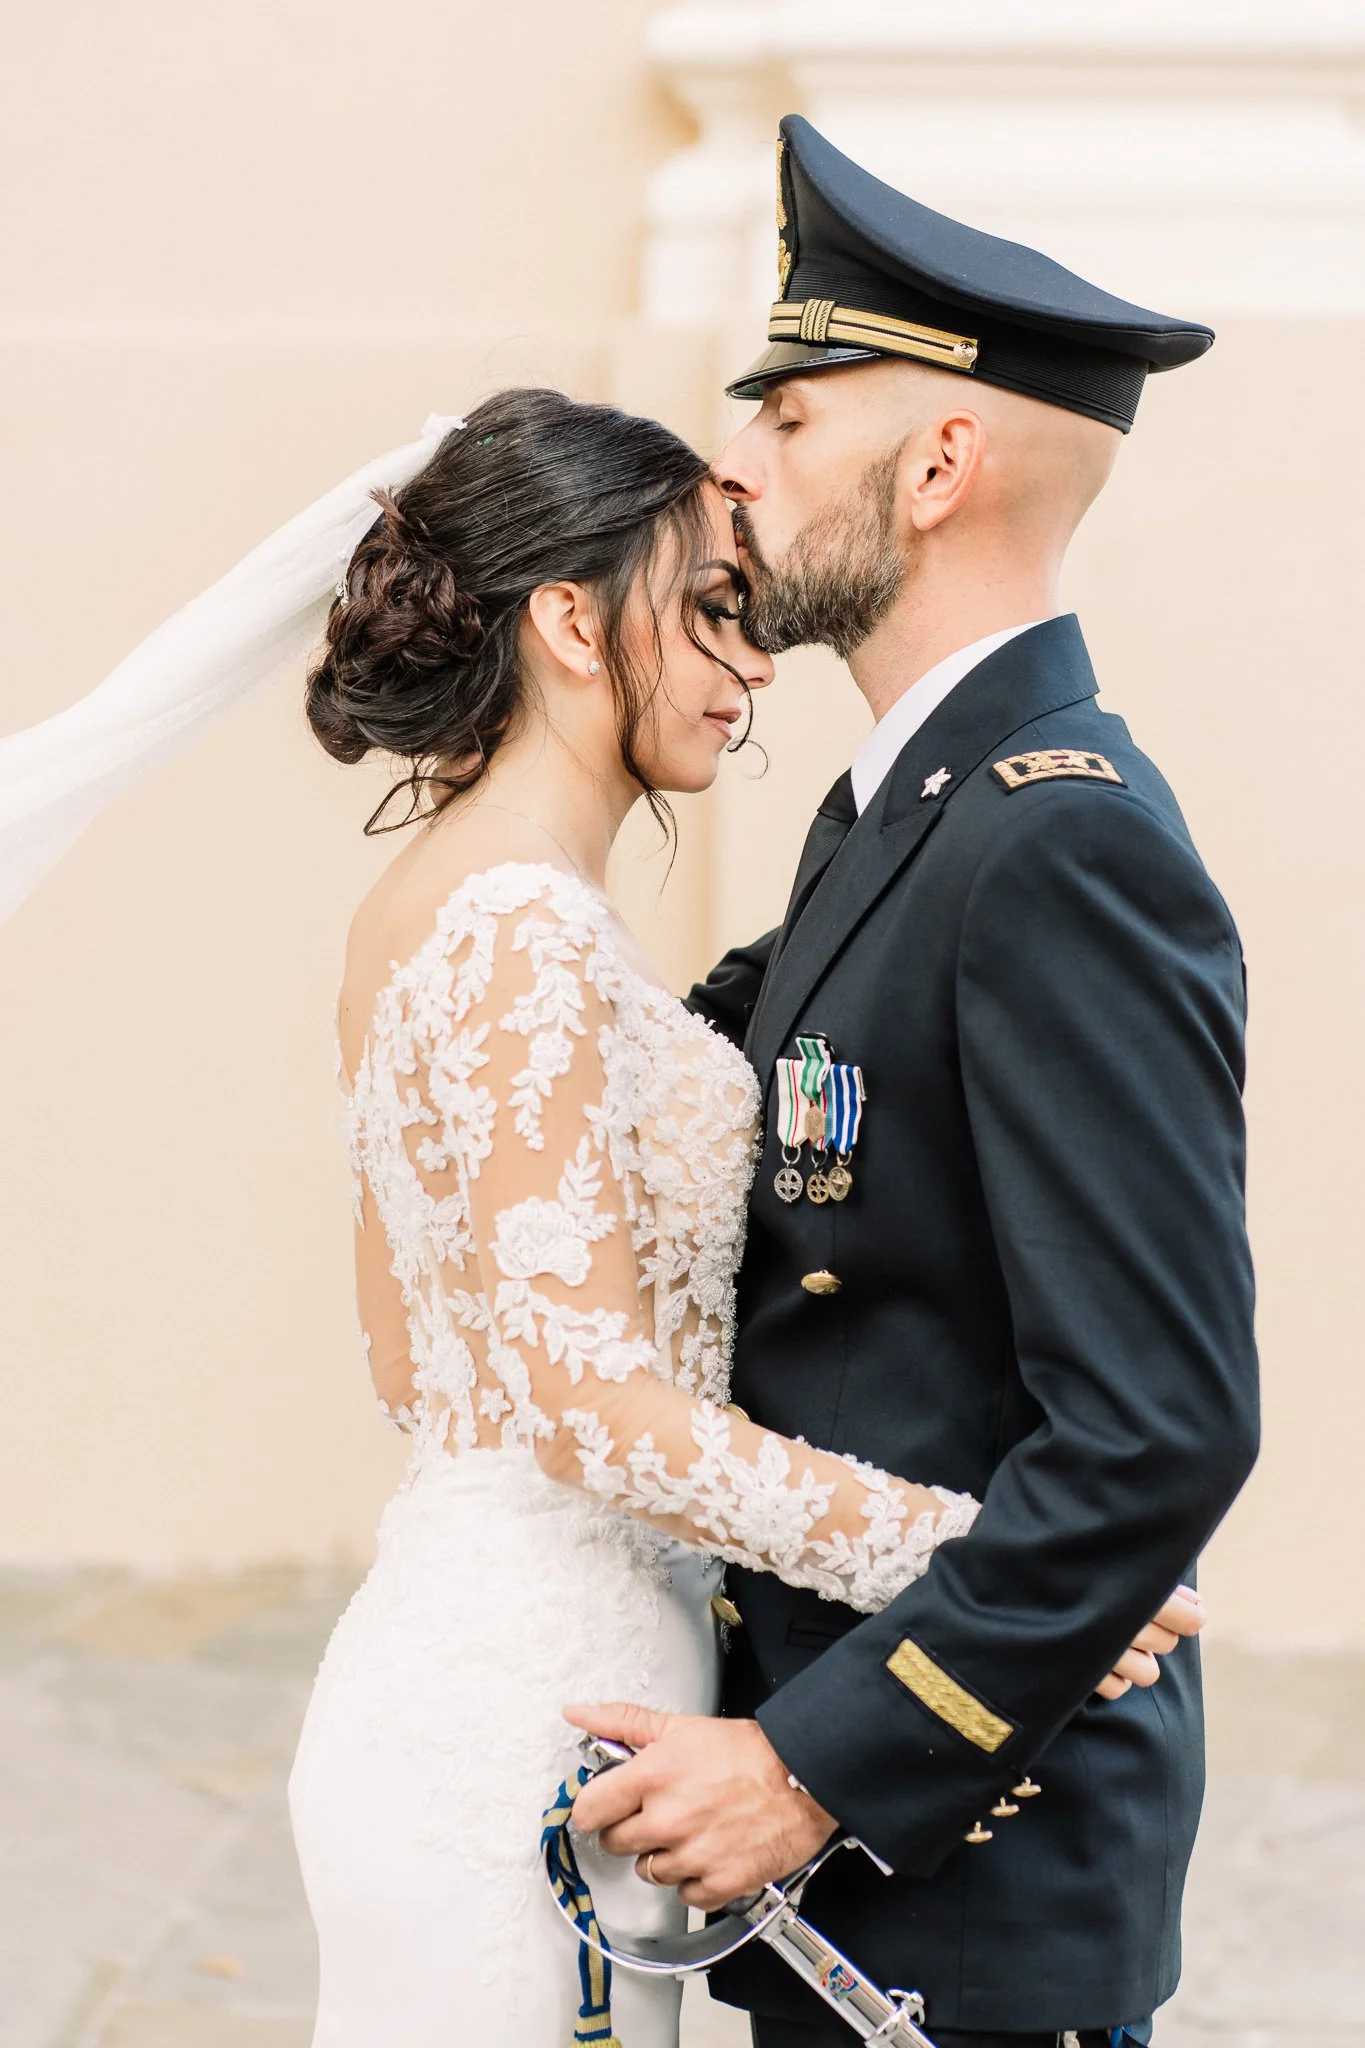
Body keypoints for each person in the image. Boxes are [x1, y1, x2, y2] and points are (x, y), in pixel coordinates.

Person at [570, 117, 1260, 2048]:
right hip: (862, 1852)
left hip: (974, 1867)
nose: (736, 465)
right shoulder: (906, 812)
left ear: (942, 461)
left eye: (788, 416)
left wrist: (813, 1763)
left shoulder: (1060, 846)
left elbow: (1158, 1428)